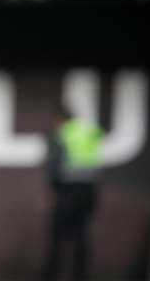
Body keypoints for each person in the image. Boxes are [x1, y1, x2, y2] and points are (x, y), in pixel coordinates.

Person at [42, 105, 104, 281]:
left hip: (68, 189)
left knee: (56, 234)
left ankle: (50, 275)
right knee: (81, 233)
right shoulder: (88, 130)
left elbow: (55, 163)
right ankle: (81, 275)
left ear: (61, 117)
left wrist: (50, 190)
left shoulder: (63, 133)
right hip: (90, 189)